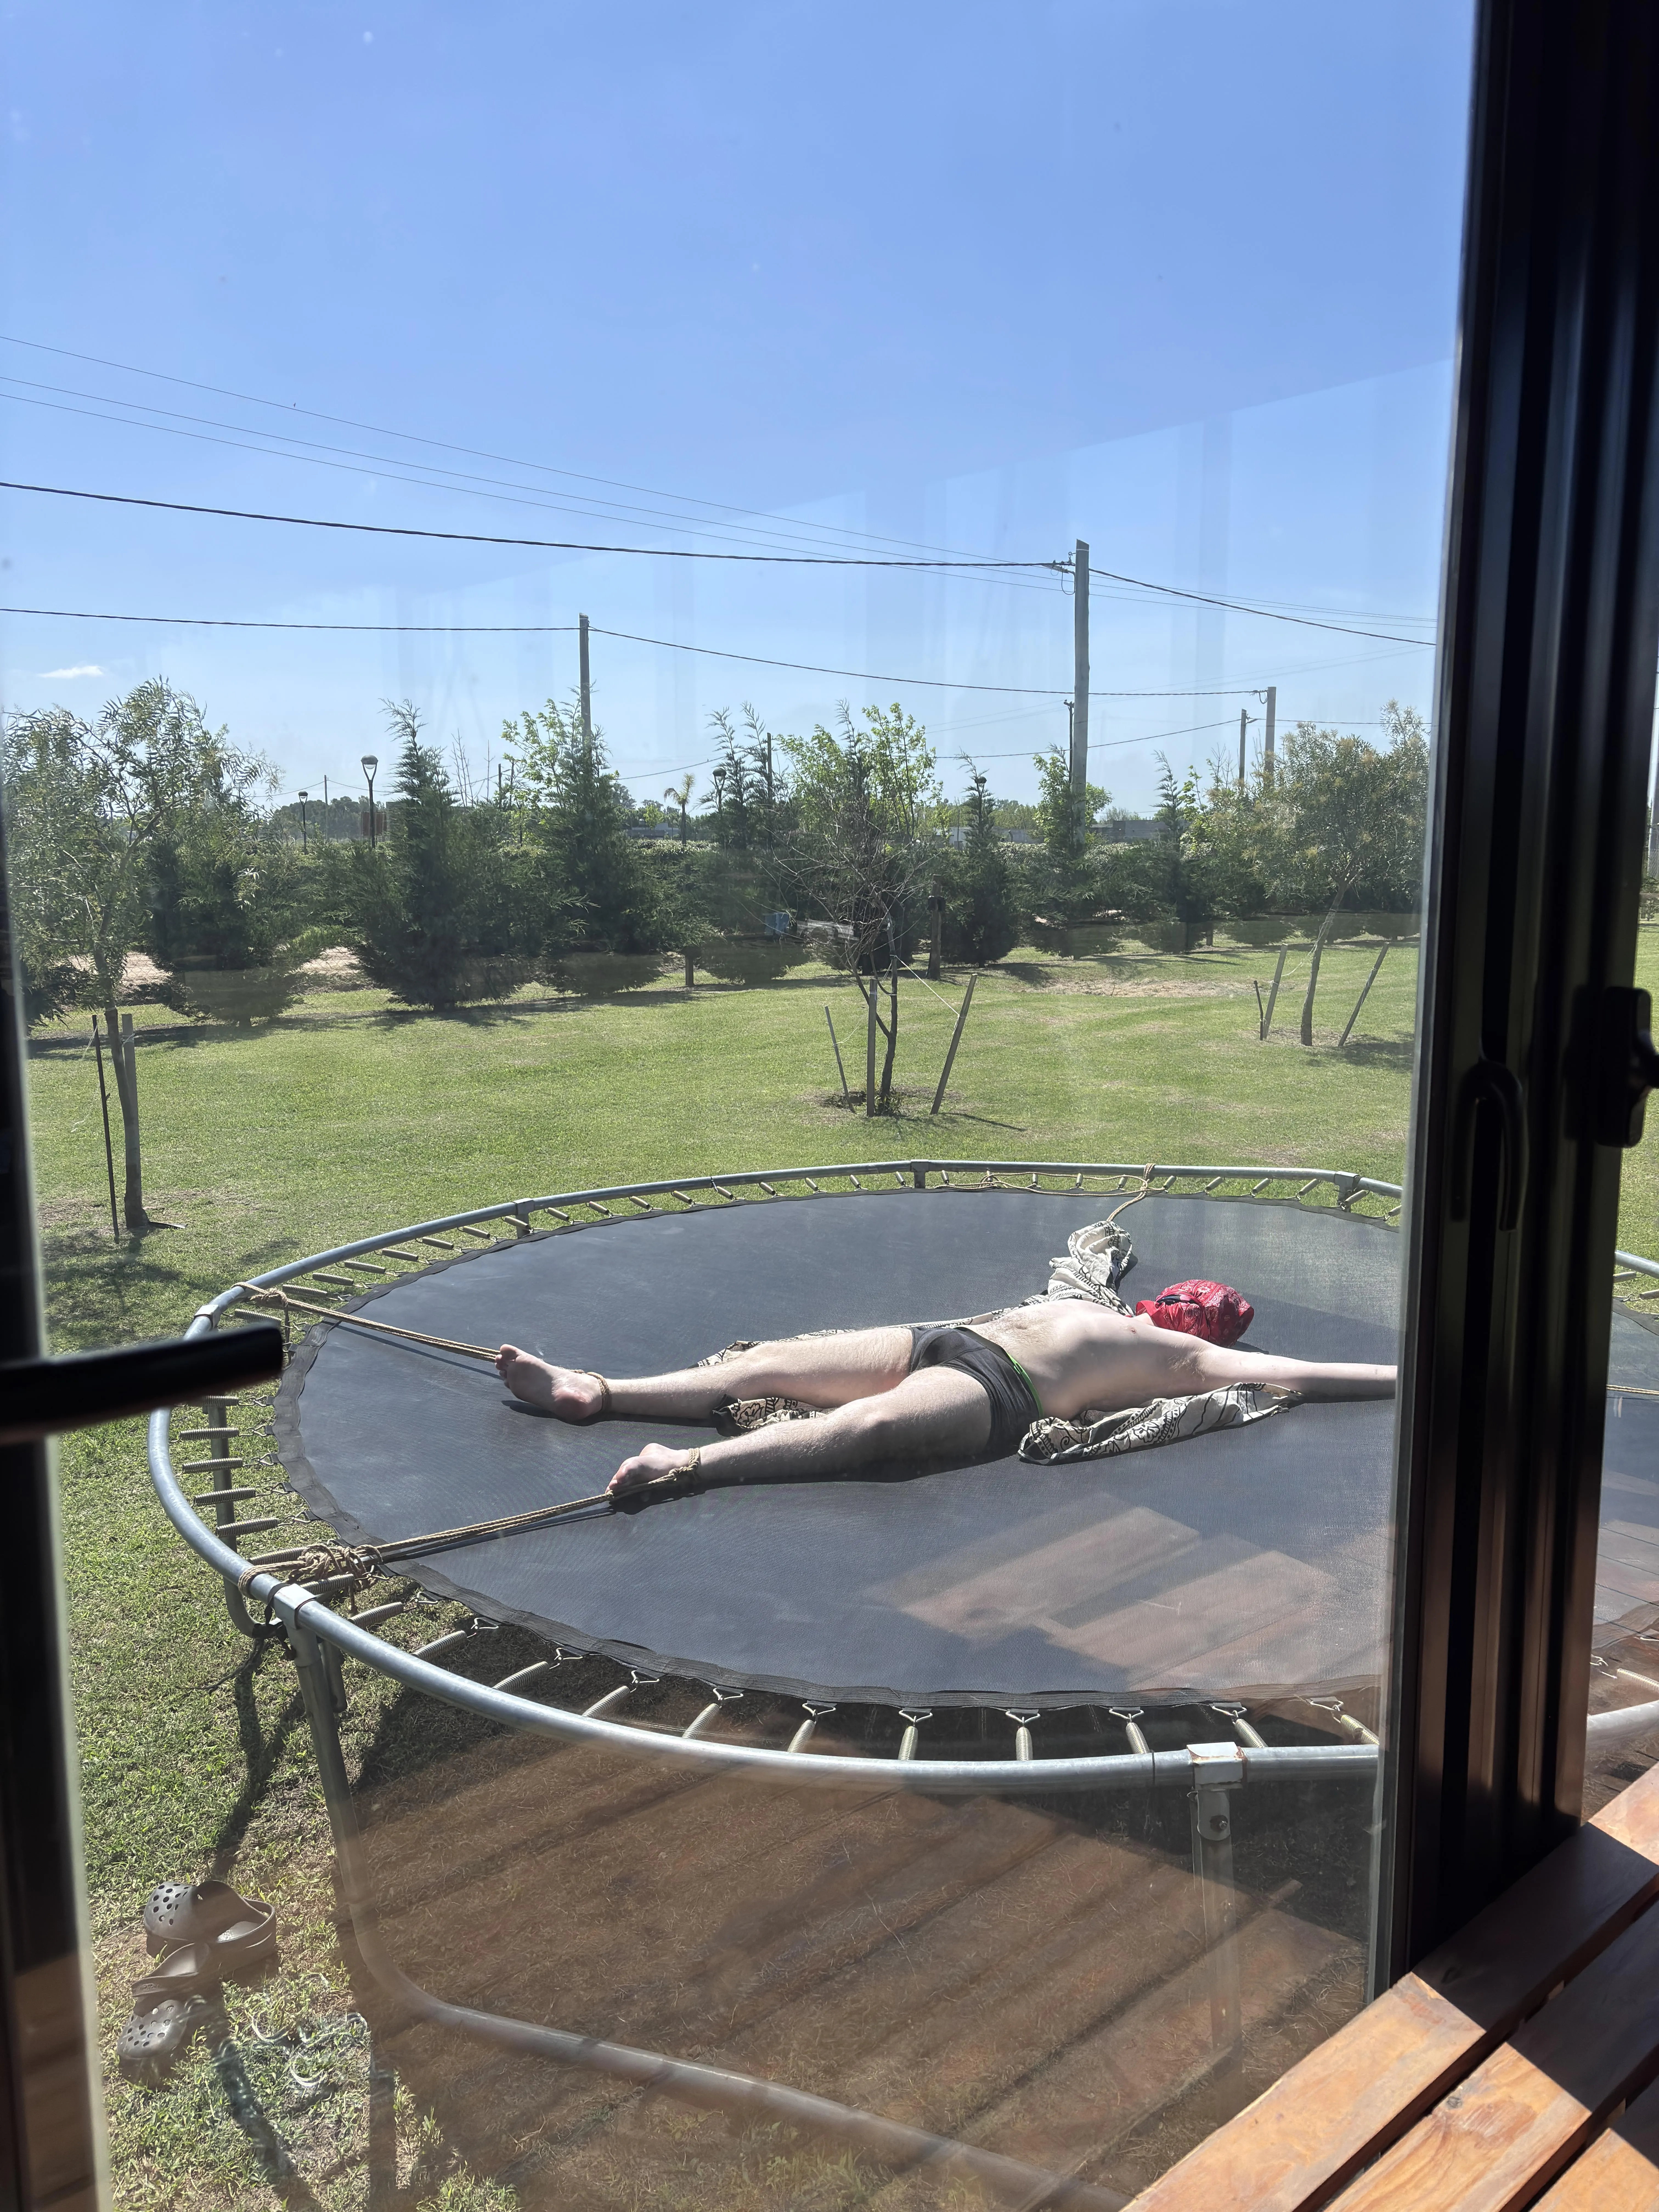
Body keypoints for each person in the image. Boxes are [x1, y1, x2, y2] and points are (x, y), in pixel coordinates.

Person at [496, 1300, 1395, 1496]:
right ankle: (598, 1391)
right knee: (770, 1357)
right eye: (1193, 1291)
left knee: (874, 1428)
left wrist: (1407, 1378)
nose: (1193, 1299)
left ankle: (684, 1464)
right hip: (940, 1338)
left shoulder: (1190, 1360)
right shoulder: (1086, 1290)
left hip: (1000, 1391)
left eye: (1210, 1307)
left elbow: (1308, 1376)